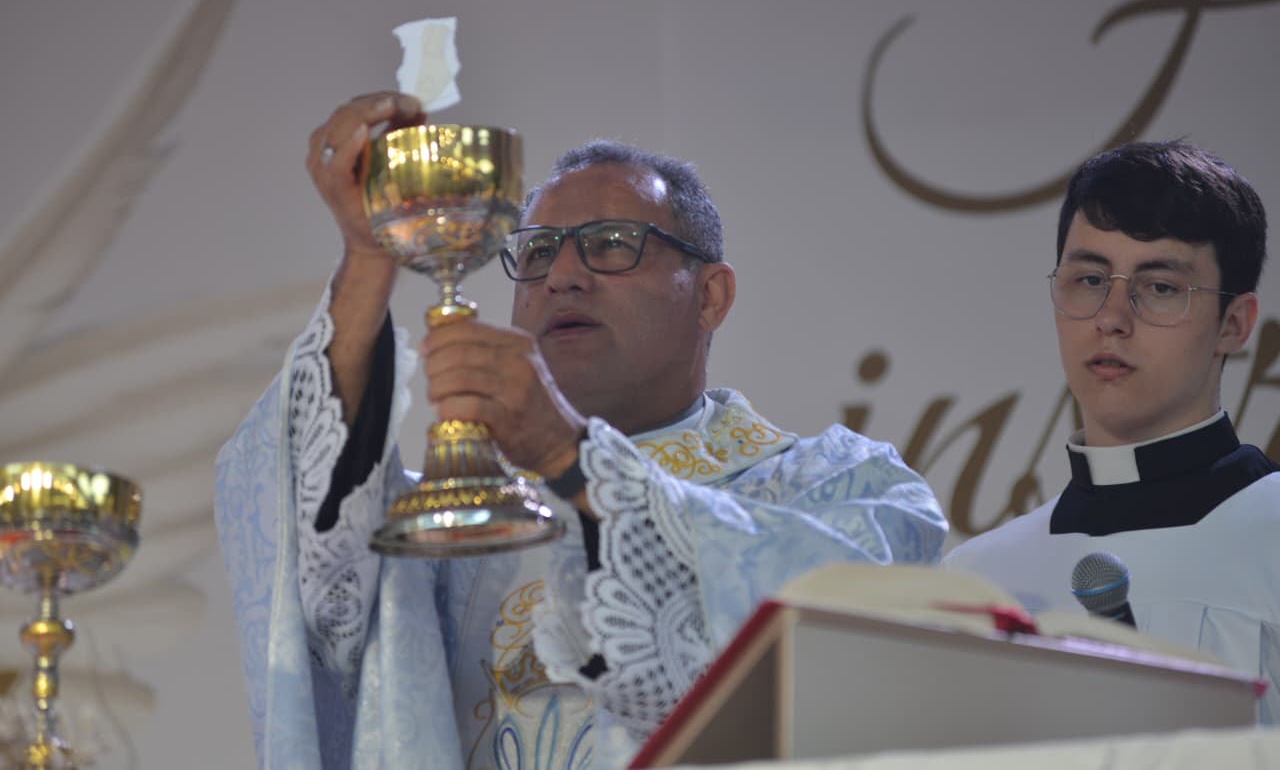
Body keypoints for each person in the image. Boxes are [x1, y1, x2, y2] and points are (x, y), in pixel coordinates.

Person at [215, 91, 947, 769]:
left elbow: (849, 664)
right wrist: (371, 255)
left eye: (611, 243)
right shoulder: (460, 524)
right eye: (536, 252)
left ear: (712, 296)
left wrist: (571, 456)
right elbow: (313, 565)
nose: (562, 274)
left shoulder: (836, 487)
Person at [945, 140, 1279, 722]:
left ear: (1234, 323)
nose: (1111, 319)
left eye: (1161, 287)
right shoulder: (980, 578)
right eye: (1090, 279)